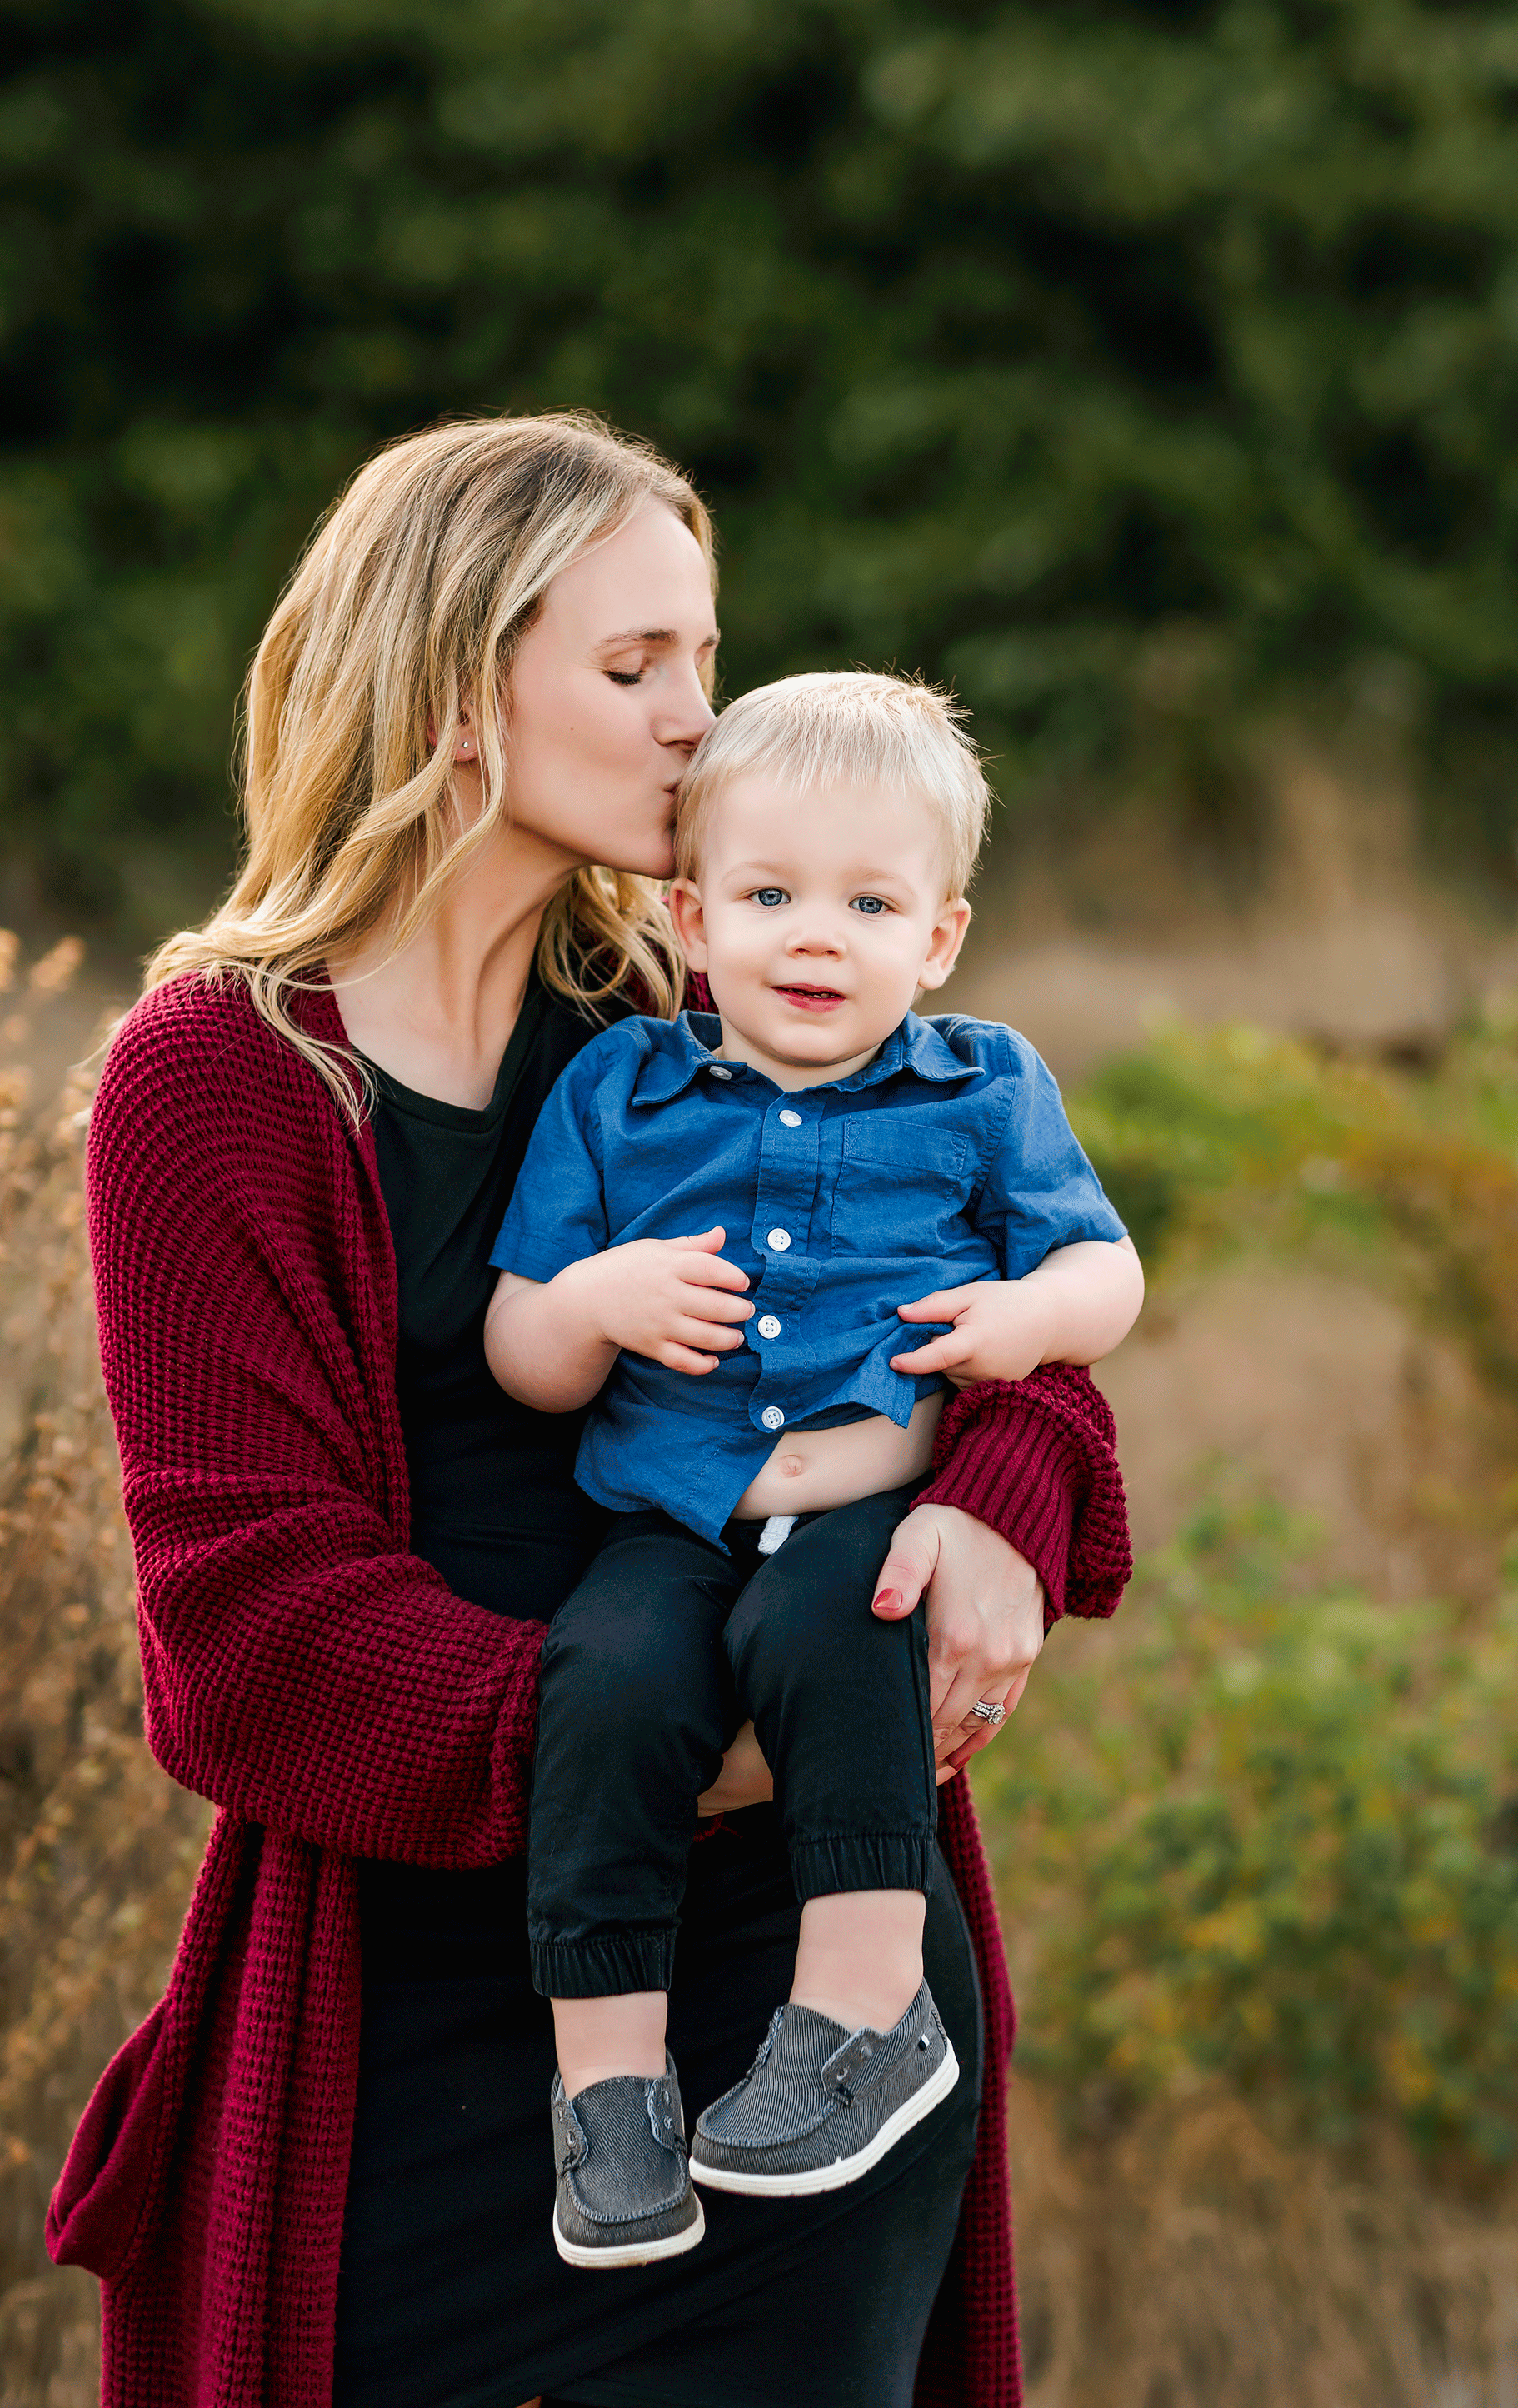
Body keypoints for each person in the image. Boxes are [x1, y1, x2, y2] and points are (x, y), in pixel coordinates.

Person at [45, 412, 1132, 2408]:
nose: (696, 717)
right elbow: (249, 1635)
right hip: (414, 1998)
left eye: (702, 655)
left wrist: (1005, 1496)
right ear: (455, 685)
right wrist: (701, 1747)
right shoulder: (220, 1080)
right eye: (636, 660)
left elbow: (1003, 1328)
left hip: (793, 1979)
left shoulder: (689, 1015)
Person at [485, 671, 1142, 2269]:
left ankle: (864, 2008)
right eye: (770, 896)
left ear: (939, 939)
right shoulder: (620, 1090)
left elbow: (1106, 1278)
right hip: (673, 1505)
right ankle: (612, 2097)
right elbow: (519, 1339)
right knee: (611, 1680)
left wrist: (1021, 1318)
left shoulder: (983, 1089)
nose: (816, 936)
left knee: (841, 1624)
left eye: (868, 902)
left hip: (861, 1496)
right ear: (691, 920)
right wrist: (592, 1304)